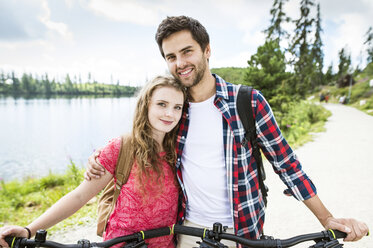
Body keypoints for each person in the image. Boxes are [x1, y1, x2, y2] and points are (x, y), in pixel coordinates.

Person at [84, 16, 369, 248]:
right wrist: (100, 156)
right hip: (187, 231)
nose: (180, 62)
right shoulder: (174, 110)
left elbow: (287, 165)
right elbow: (142, 138)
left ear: (207, 50)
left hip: (243, 231)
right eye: (171, 56)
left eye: (187, 51)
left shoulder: (248, 102)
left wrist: (327, 219)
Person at [0, 75, 186, 248]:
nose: (170, 113)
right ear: (146, 105)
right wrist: (28, 230)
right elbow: (80, 196)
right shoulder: (123, 147)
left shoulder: (178, 151)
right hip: (124, 244)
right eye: (162, 104)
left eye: (177, 107)